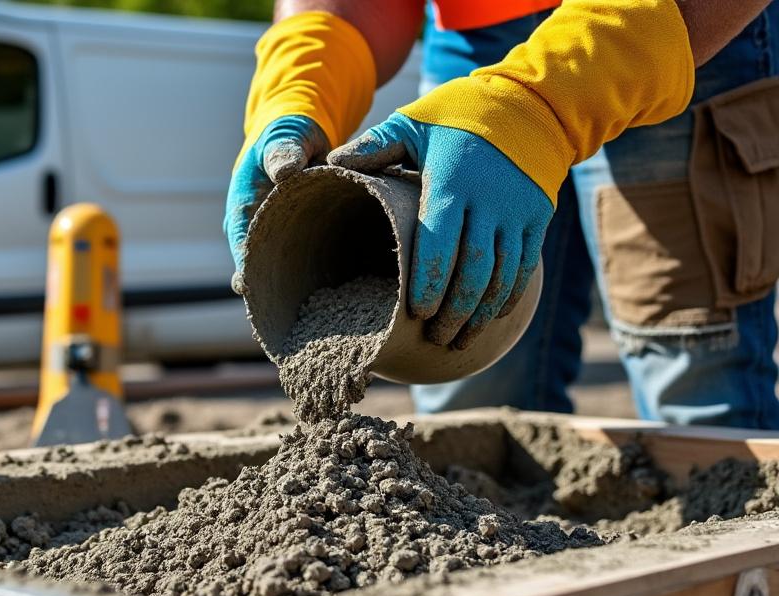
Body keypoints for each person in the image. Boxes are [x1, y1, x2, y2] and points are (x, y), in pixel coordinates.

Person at [226, 0, 779, 427]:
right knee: (462, 388)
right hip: (477, 38)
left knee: (693, 375)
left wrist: (541, 107)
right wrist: (300, 84)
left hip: (673, 29)